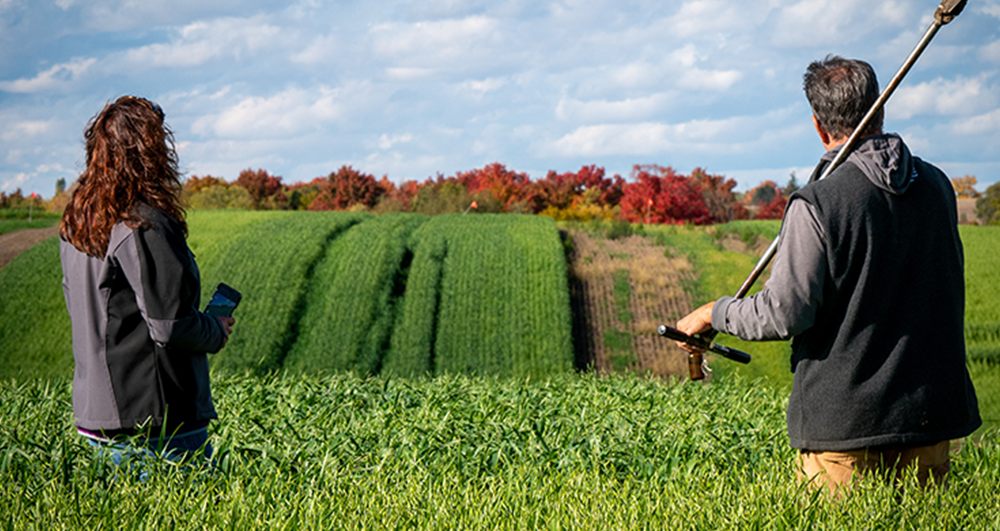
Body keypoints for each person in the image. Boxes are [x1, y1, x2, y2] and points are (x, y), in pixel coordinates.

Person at [674, 56, 980, 495]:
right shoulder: (937, 186)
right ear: (880, 108)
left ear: (819, 127)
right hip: (930, 421)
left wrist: (713, 313)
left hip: (844, 434)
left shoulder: (817, 202)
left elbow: (783, 313)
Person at [59, 96, 233, 470]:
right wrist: (214, 329)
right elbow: (170, 325)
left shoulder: (77, 222)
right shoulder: (144, 223)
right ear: (151, 150)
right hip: (156, 425)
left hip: (95, 422)